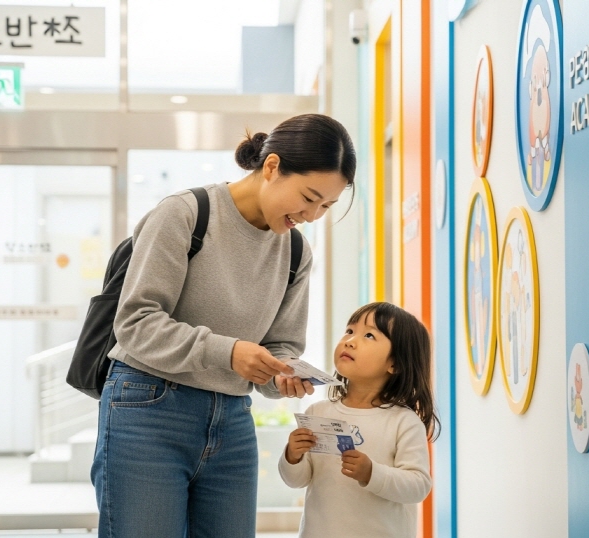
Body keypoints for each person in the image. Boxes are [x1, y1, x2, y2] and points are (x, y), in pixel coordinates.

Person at [90, 114, 356, 538]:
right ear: (271, 167)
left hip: (231, 418)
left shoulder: (295, 251)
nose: (313, 215)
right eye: (309, 197)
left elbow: (281, 343)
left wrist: (281, 374)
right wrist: (229, 352)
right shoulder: (184, 215)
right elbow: (135, 322)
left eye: (327, 206)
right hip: (147, 408)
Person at [279, 301, 440, 538]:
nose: (350, 340)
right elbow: (297, 481)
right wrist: (292, 457)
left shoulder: (403, 422)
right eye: (349, 331)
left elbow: (417, 486)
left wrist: (371, 473)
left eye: (369, 335)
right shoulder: (317, 412)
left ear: (394, 363)